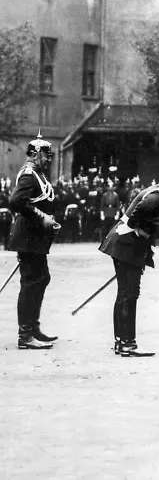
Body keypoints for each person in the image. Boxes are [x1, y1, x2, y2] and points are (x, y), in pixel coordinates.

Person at [99, 159, 159, 356]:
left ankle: (121, 342)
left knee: (124, 293)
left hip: (124, 244)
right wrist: (140, 233)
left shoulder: (156, 191)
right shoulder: (157, 197)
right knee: (129, 294)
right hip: (126, 245)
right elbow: (136, 216)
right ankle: (127, 344)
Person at [8, 132, 60, 350]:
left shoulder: (38, 174)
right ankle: (25, 336)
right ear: (36, 154)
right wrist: (42, 217)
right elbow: (15, 201)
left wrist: (49, 218)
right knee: (31, 283)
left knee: (41, 278)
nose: (49, 159)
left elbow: (39, 200)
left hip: (35, 239)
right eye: (47, 156)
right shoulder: (29, 175)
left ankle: (33, 328)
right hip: (28, 238)